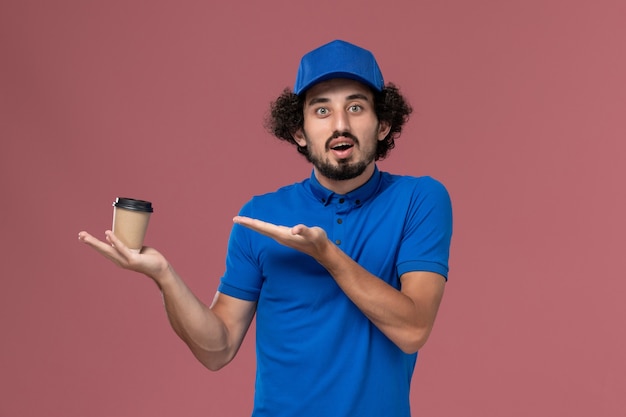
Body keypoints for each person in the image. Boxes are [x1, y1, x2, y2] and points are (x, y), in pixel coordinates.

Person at [79, 39, 453, 417]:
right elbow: (218, 348)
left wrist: (328, 256)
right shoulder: (262, 214)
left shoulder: (419, 199)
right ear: (299, 132)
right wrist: (163, 276)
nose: (341, 124)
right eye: (322, 110)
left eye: (356, 107)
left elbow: (413, 329)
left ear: (383, 123)